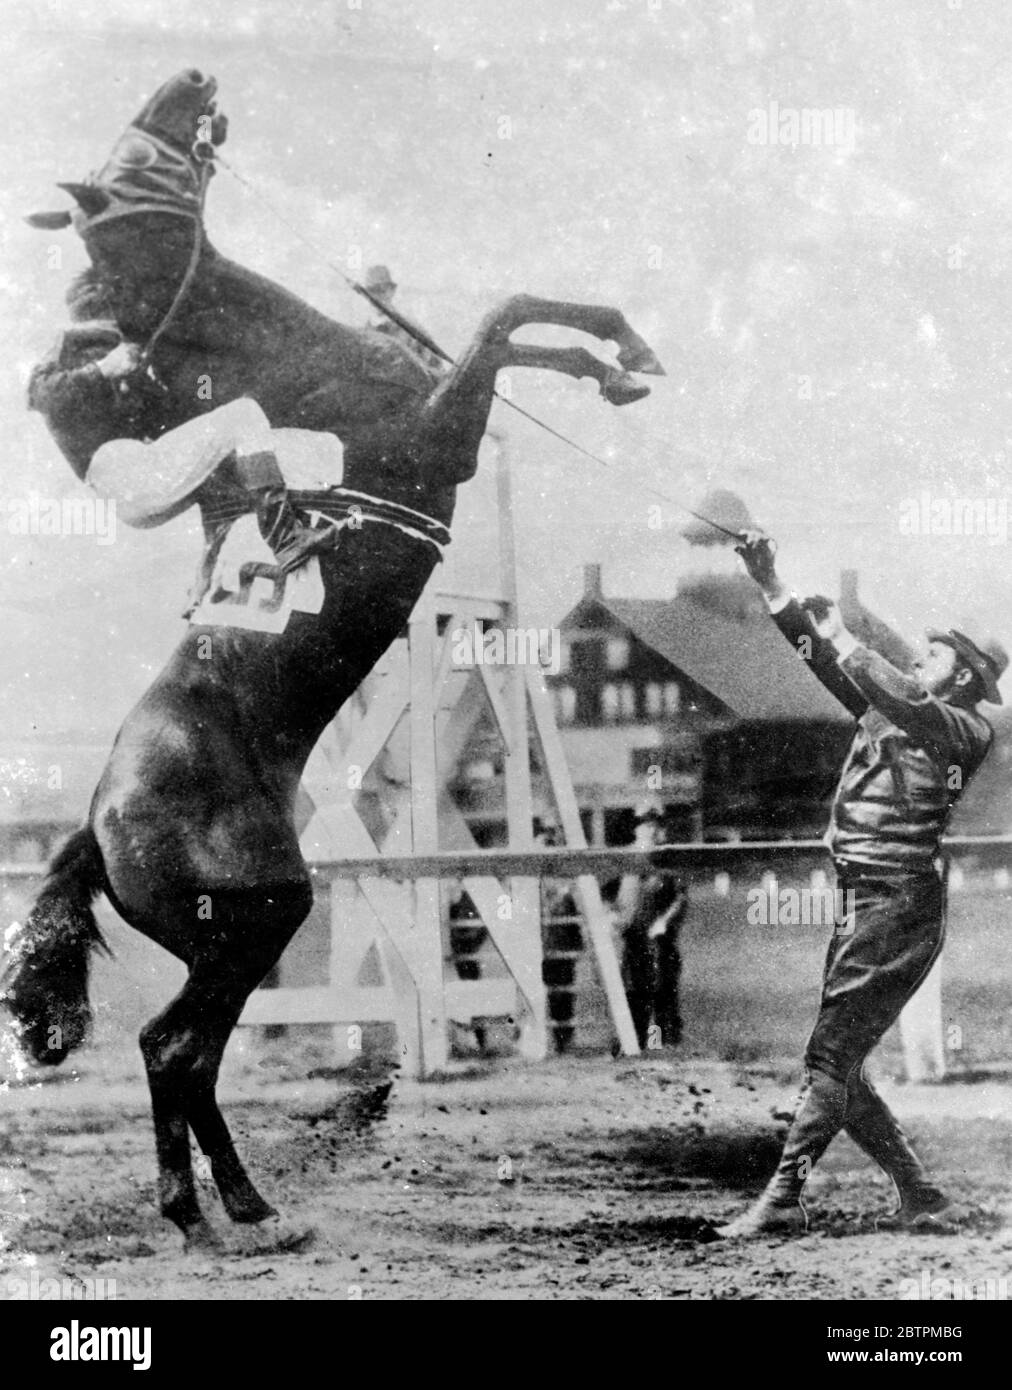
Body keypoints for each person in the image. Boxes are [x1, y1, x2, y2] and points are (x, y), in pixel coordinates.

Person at [721, 531, 1006, 1238]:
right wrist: (774, 584)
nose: (919, 656)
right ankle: (920, 1194)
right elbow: (821, 658)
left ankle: (783, 1199)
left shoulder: (961, 728)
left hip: (898, 906)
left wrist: (842, 629)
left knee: (829, 1057)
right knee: (840, 1058)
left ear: (965, 677)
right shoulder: (893, 703)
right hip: (868, 900)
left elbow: (886, 685)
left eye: (935, 653)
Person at [28, 272, 336, 585]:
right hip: (121, 470)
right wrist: (105, 369)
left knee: (223, 462)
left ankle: (207, 579)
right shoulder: (68, 344)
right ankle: (286, 538)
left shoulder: (120, 354)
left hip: (131, 486)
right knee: (244, 415)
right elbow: (40, 394)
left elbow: (179, 421)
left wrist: (201, 383)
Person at [613, 800, 687, 1050]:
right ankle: (634, 1044)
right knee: (634, 993)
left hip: (661, 941)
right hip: (633, 939)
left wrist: (664, 922)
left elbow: (680, 898)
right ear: (636, 828)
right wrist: (612, 916)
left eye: (655, 825)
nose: (650, 830)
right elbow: (606, 894)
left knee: (665, 993)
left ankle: (668, 1045)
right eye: (645, 824)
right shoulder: (625, 860)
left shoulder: (668, 860)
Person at [363, 265, 446, 375]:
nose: (377, 296)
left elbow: (438, 371)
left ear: (392, 291)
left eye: (382, 290)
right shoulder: (364, 336)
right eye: (372, 291)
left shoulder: (412, 331)